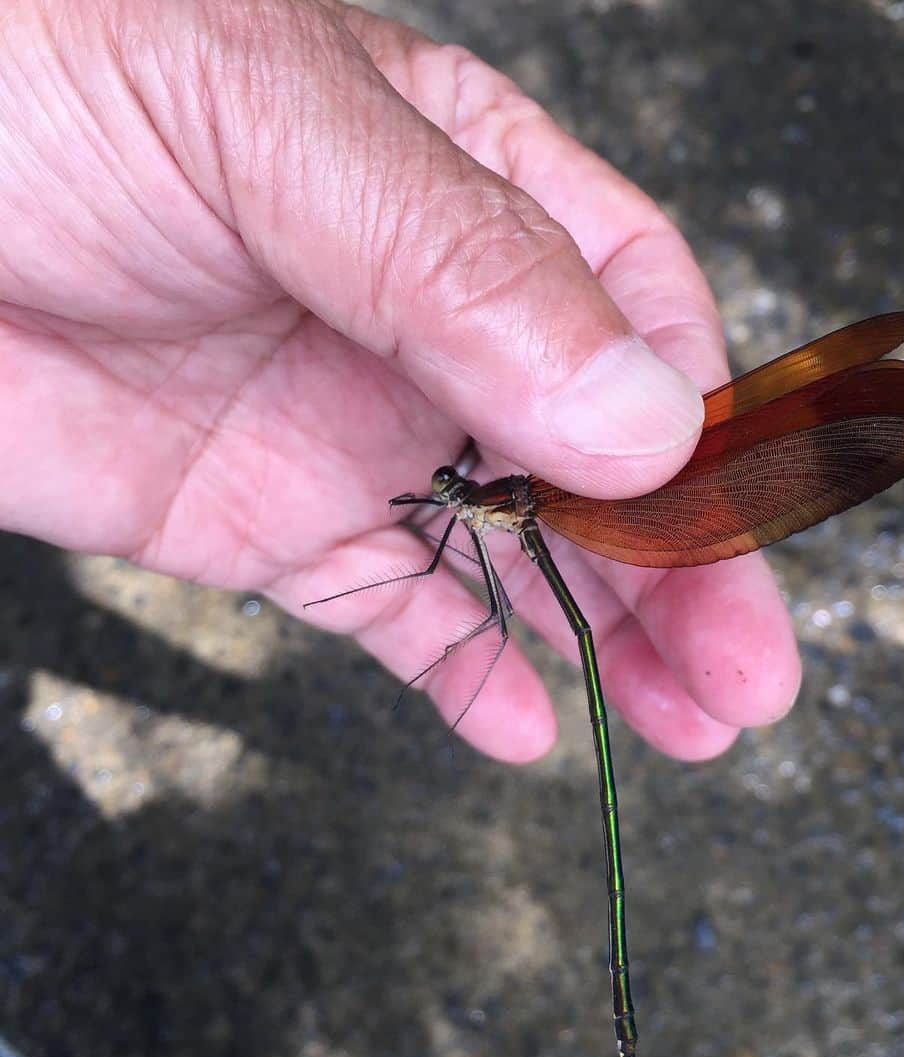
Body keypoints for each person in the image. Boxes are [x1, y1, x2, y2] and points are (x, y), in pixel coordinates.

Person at [0, 0, 800, 763]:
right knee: (490, 597)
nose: (446, 492)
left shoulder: (487, 503)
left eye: (451, 489)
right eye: (450, 487)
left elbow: (440, 546)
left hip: (552, 494)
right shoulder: (470, 504)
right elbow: (429, 545)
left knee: (555, 622)